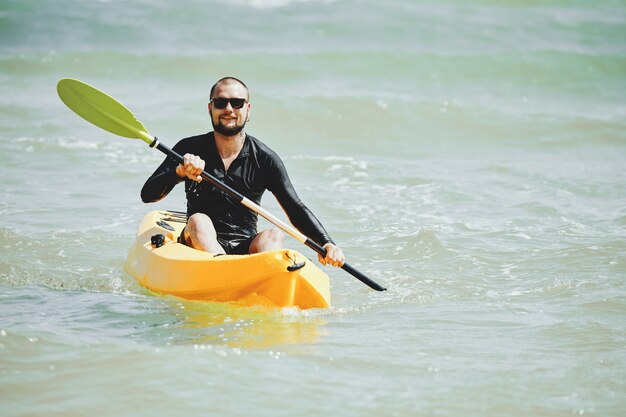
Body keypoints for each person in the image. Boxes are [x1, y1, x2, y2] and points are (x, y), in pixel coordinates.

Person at [141, 76, 345, 267]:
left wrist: (326, 242)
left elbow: (295, 207)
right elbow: (148, 194)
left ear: (248, 110)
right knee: (199, 220)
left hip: (245, 245)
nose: (228, 109)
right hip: (198, 245)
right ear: (210, 108)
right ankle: (223, 271)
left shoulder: (265, 158)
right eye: (220, 103)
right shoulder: (189, 149)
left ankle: (263, 277)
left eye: (237, 103)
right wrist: (179, 172)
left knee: (274, 235)